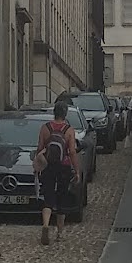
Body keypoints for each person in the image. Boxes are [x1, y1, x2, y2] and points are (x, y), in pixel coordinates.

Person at [36, 99, 78, 246]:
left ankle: (46, 225)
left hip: (48, 166)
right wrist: (77, 170)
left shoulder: (45, 128)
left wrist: (37, 165)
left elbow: (40, 148)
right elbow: (72, 152)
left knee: (48, 196)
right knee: (62, 198)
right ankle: (60, 233)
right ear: (65, 114)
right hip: (64, 167)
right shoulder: (69, 130)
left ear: (54, 112)